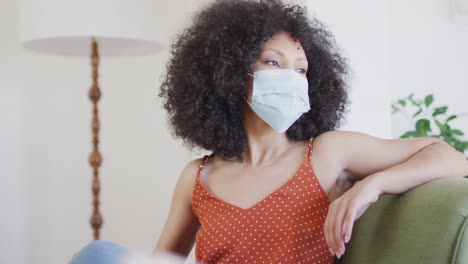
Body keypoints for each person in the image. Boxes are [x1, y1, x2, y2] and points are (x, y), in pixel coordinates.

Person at [69, 0, 468, 263]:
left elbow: (450, 157)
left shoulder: (327, 153)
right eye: (274, 64)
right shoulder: (198, 176)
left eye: (301, 69)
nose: (292, 79)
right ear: (230, 73)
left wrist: (375, 184)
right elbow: (162, 259)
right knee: (99, 254)